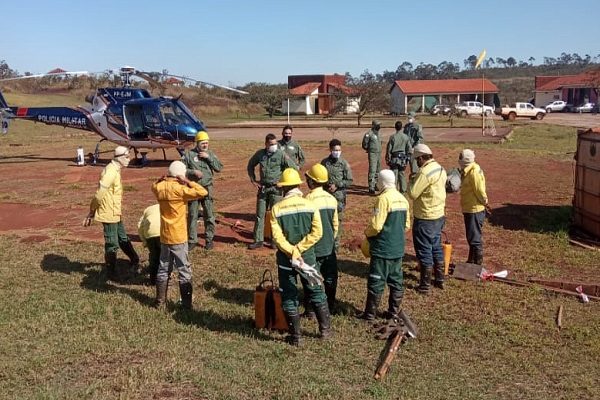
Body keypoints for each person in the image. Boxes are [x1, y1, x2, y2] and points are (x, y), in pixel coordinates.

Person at [270, 168, 329, 345]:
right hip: (308, 257)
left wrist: (292, 251)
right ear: (297, 185)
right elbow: (317, 232)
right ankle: (325, 331)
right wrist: (301, 248)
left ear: (283, 188)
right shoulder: (310, 205)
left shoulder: (276, 209)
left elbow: (277, 237)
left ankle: (296, 337)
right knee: (316, 289)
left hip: (286, 259)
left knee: (289, 294)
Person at [152, 161, 208, 310]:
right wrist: (188, 182)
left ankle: (160, 302)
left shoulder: (160, 187)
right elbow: (202, 192)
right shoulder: (180, 189)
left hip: (164, 235)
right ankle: (186, 304)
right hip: (178, 235)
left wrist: (159, 179)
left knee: (163, 268)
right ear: (180, 175)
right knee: (184, 270)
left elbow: (153, 187)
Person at [357, 170, 410, 321]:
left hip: (383, 249)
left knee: (376, 281)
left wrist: (367, 233)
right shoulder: (402, 199)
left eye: (378, 180)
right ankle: (393, 312)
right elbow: (406, 225)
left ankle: (369, 315)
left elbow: (376, 226)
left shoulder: (383, 199)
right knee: (396, 281)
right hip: (398, 249)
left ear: (382, 182)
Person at [83, 145, 139, 281]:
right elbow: (99, 195)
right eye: (127, 157)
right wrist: (91, 212)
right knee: (112, 243)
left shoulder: (115, 169)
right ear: (119, 158)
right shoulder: (110, 172)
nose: (129, 159)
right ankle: (111, 273)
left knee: (122, 237)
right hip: (108, 213)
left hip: (115, 211)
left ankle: (135, 259)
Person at [407, 144, 447, 294]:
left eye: (417, 159)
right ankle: (440, 279)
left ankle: (424, 285)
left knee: (424, 250)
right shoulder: (440, 168)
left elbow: (413, 193)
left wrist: (411, 180)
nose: (416, 162)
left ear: (422, 158)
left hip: (425, 216)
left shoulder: (424, 172)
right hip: (438, 214)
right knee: (436, 247)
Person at [247, 133, 297, 250]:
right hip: (263, 189)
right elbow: (250, 165)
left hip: (276, 189)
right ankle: (258, 240)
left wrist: (284, 182)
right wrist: (253, 180)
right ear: (266, 144)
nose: (274, 146)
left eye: (275, 144)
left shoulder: (281, 154)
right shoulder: (260, 154)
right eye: (271, 144)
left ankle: (275, 240)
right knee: (260, 215)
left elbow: (293, 168)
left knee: (276, 215)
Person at [305, 164, 339, 313]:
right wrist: (331, 240)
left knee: (312, 278)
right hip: (329, 247)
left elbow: (307, 225)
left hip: (314, 247)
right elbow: (335, 225)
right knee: (331, 277)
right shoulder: (332, 199)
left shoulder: (308, 199)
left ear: (312, 182)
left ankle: (311, 310)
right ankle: (330, 305)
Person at [182, 130, 223, 251]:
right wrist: (192, 172)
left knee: (209, 215)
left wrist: (209, 158)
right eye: (202, 143)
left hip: (207, 188)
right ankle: (192, 240)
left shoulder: (210, 154)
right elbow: (180, 169)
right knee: (192, 215)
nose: (205, 145)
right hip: (193, 189)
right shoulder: (189, 155)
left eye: (206, 143)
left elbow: (219, 168)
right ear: (197, 143)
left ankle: (209, 239)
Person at [459, 149, 489, 265]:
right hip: (469, 207)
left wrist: (485, 202)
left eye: (461, 157)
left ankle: (477, 263)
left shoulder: (474, 172)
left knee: (474, 237)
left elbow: (479, 190)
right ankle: (471, 260)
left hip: (474, 209)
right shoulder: (468, 170)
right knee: (471, 235)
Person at [321, 139, 353, 249]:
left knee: (338, 220)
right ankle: (326, 241)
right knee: (326, 219)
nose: (337, 152)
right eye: (335, 150)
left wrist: (337, 185)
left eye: (339, 150)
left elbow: (349, 181)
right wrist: (327, 185)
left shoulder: (344, 164)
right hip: (326, 196)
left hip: (339, 197)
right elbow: (320, 178)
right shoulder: (324, 163)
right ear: (330, 150)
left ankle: (336, 244)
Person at [385, 121, 412, 194]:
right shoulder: (405, 137)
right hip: (402, 159)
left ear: (395, 127)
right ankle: (403, 190)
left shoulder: (392, 137)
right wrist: (407, 158)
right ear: (401, 127)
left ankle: (394, 190)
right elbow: (409, 149)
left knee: (394, 174)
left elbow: (389, 149)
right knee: (402, 174)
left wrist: (388, 158)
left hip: (394, 158)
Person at [138, 204, 161, 285]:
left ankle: (153, 280)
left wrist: (144, 241)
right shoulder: (167, 206)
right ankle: (165, 279)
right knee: (165, 257)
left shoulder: (147, 209)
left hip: (149, 233)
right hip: (163, 232)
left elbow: (140, 226)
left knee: (154, 257)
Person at [363, 120, 383, 194]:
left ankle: (376, 184)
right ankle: (371, 186)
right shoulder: (369, 134)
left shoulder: (379, 134)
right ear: (374, 126)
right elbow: (364, 144)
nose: (379, 126)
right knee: (372, 169)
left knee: (378, 170)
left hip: (379, 153)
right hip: (372, 153)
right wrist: (369, 149)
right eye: (378, 125)